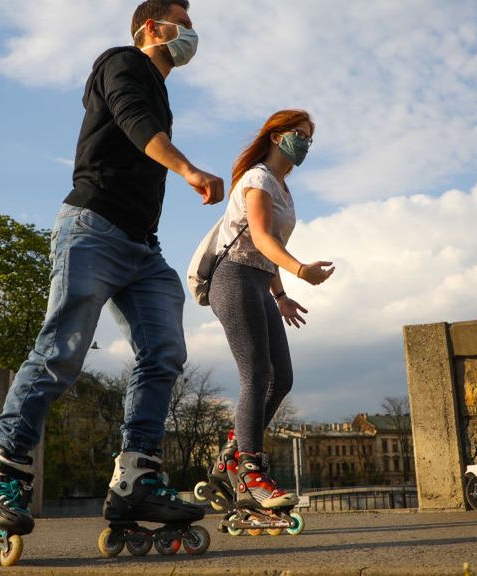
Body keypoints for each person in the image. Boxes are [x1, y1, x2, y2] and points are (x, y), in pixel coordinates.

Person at [0, 0, 223, 544]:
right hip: (93, 227)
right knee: (62, 350)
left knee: (164, 353)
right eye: (187, 24)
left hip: (142, 249)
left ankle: (136, 476)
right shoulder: (121, 63)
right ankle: (2, 473)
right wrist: (188, 169)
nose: (193, 36)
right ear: (153, 27)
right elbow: (133, 121)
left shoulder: (163, 91)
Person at [209, 109, 334, 510]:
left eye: (310, 138)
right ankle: (249, 474)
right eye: (300, 134)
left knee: (282, 379)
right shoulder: (258, 178)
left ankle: (234, 451)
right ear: (277, 136)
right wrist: (299, 270)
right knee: (258, 374)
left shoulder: (283, 187)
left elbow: (266, 250)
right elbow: (260, 237)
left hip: (259, 282)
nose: (305, 144)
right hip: (232, 278)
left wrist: (279, 295)